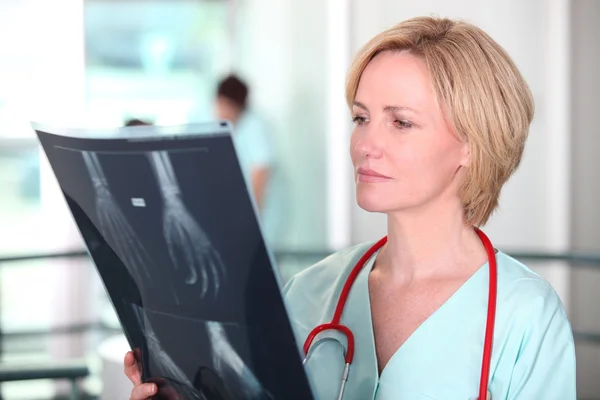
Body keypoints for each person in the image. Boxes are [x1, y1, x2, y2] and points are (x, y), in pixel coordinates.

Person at [124, 16, 576, 400]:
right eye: (361, 118)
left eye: (401, 122)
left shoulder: (527, 318)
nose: (366, 144)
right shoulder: (309, 292)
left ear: (472, 147)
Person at [214, 74, 283, 247]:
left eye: (226, 106)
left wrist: (247, 230)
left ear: (238, 107)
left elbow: (259, 178)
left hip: (261, 224)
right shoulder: (231, 128)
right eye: (219, 105)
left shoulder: (255, 127)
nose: (220, 112)